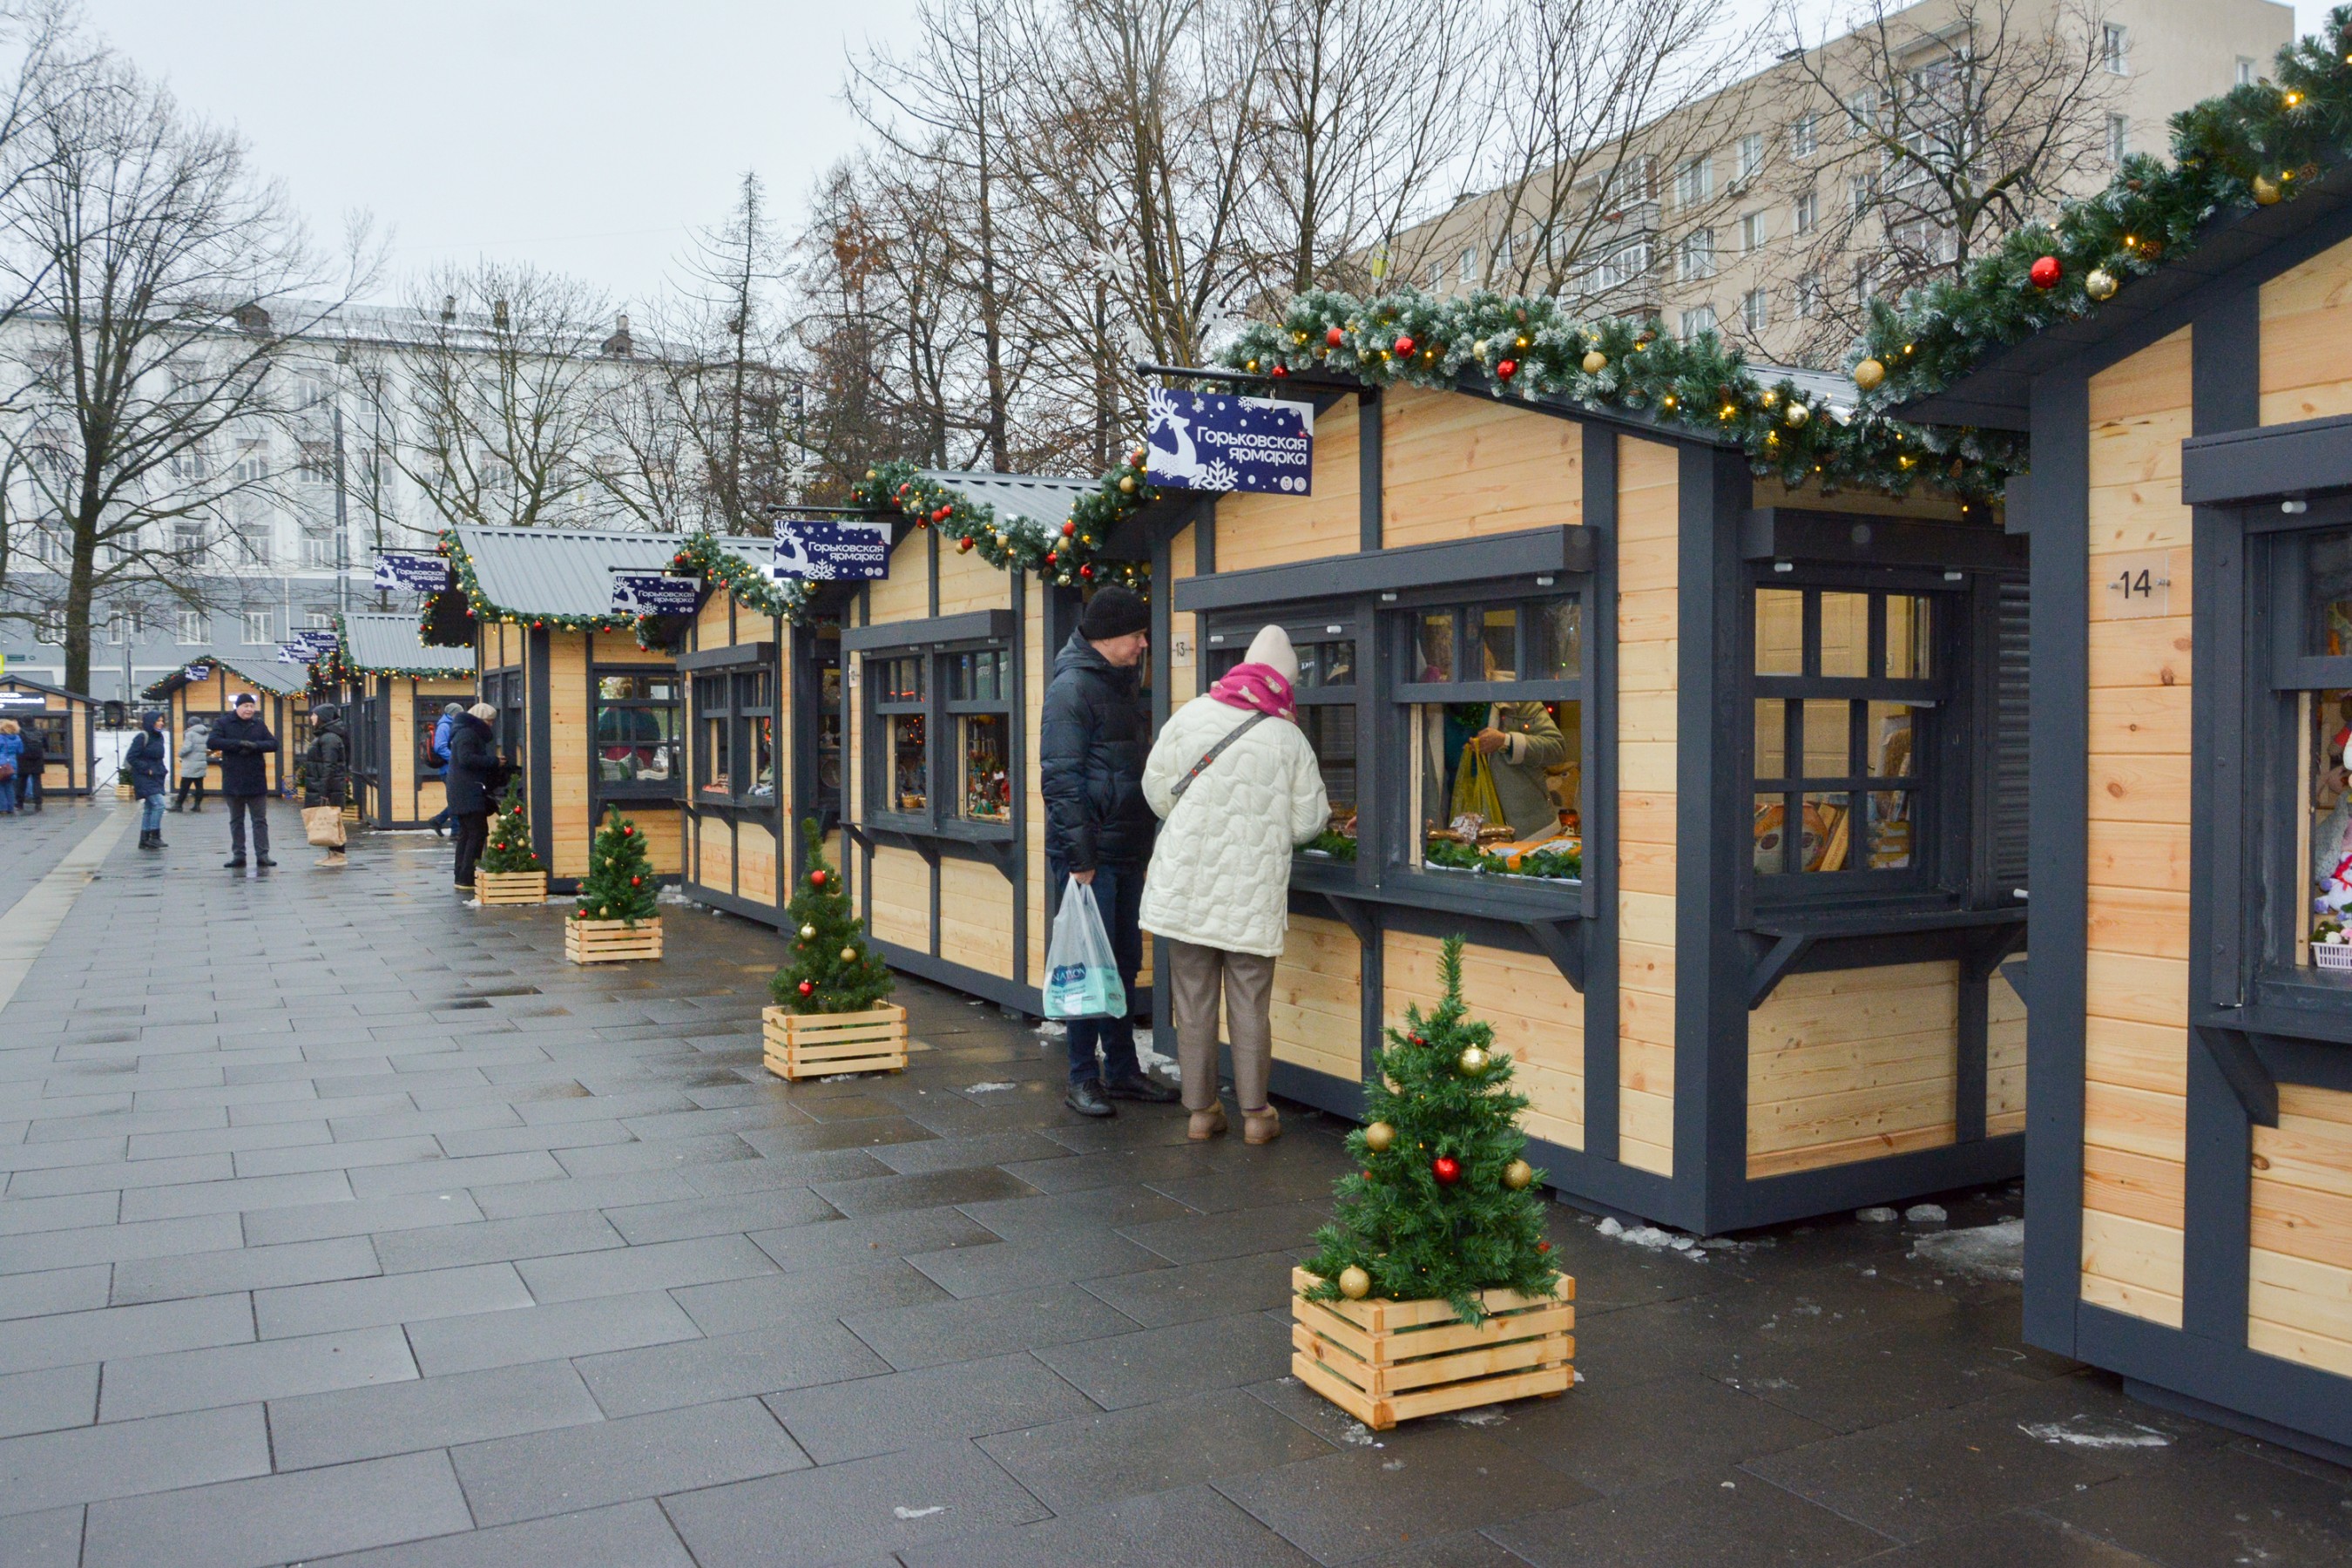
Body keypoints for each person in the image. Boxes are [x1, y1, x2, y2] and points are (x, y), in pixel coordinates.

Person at [1140, 626, 1328, 1145]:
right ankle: (1255, 1116)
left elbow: (1157, 791)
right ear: (1284, 682)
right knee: (1250, 1001)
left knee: (1193, 999)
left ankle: (1201, 1112)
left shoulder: (1192, 714)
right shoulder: (1288, 736)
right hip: (1251, 890)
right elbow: (1309, 821)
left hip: (1185, 884)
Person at [1039, 584, 1176, 1119]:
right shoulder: (1072, 688)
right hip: (1092, 856)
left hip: (1124, 849)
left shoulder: (1116, 683)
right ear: (1109, 637)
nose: (1144, 644)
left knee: (1121, 962)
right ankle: (1081, 1076)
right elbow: (1062, 780)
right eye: (1138, 635)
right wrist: (1081, 859)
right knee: (1085, 964)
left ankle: (1120, 1071)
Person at [208, 692, 278, 869]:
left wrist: (255, 746)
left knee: (260, 820)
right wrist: (238, 744)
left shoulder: (259, 724)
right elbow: (213, 742)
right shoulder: (223, 723)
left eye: (252, 706)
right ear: (237, 707)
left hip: (256, 780)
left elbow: (273, 744)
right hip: (234, 780)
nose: (249, 710)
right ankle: (239, 855)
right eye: (246, 706)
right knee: (236, 820)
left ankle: (263, 855)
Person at [443, 700, 505, 892]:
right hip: (468, 791)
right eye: (489, 721)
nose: (491, 725)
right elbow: (467, 759)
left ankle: (461, 876)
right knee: (477, 833)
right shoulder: (468, 734)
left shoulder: (462, 732)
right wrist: (493, 761)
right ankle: (466, 877)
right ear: (479, 720)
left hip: (461, 790)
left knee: (467, 833)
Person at [300, 703, 350, 862]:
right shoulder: (326, 736)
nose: (311, 718)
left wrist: (323, 789)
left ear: (323, 718)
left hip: (329, 787)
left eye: (315, 715)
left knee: (332, 820)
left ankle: (339, 855)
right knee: (330, 819)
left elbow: (330, 765)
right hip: (326, 786)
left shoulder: (329, 738)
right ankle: (333, 854)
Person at [126, 711, 170, 849]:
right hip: (144, 777)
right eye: (158, 721)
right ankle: (154, 836)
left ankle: (144, 839)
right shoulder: (142, 737)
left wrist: (161, 770)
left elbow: (158, 757)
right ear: (151, 722)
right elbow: (131, 757)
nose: (161, 723)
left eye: (162, 720)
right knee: (159, 805)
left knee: (150, 807)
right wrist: (146, 769)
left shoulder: (159, 737)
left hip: (156, 776)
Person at [424, 701, 461, 835]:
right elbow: (439, 747)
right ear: (453, 713)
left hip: (449, 769)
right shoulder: (445, 726)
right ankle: (455, 831)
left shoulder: (449, 724)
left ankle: (439, 820)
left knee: (457, 799)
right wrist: (455, 758)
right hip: (448, 770)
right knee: (457, 800)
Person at [172, 716, 212, 813]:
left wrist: (180, 753)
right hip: (201, 762)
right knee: (199, 785)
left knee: (184, 786)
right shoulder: (205, 733)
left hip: (190, 763)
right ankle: (197, 805)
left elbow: (187, 748)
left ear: (190, 724)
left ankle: (178, 805)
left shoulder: (190, 734)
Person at [16, 724, 44, 812]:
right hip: (37, 760)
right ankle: (38, 803)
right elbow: (45, 744)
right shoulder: (40, 732)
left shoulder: (20, 733)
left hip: (23, 760)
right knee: (37, 782)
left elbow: (18, 747)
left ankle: (20, 803)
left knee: (21, 783)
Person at [0, 719, 20, 815]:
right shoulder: (17, 738)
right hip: (12, 764)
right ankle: (11, 808)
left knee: (1, 787)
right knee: (9, 786)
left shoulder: (0, 738)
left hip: (1, 764)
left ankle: (2, 808)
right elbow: (20, 751)